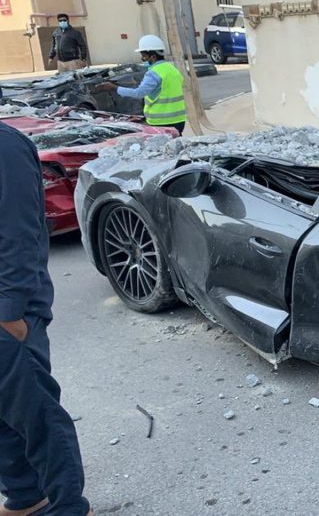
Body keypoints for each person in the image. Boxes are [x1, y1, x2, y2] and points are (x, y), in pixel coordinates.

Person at [0, 123, 92, 516]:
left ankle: (68, 506)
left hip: (7, 312)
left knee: (36, 413)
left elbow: (20, 232)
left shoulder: (4, 147)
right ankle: (26, 495)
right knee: (5, 412)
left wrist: (9, 312)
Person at [95, 35, 188, 134]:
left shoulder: (153, 73)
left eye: (144, 56)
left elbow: (139, 93)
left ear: (153, 56)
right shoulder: (171, 69)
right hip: (179, 120)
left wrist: (115, 88)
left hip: (162, 121)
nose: (142, 59)